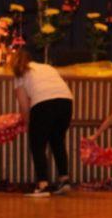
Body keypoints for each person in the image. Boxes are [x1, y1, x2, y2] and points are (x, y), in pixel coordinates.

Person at [10, 50, 74, 198]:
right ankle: (64, 180)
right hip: (66, 101)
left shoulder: (20, 74)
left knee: (37, 144)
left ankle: (43, 185)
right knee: (57, 140)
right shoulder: (47, 67)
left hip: (43, 103)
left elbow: (24, 106)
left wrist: (29, 125)